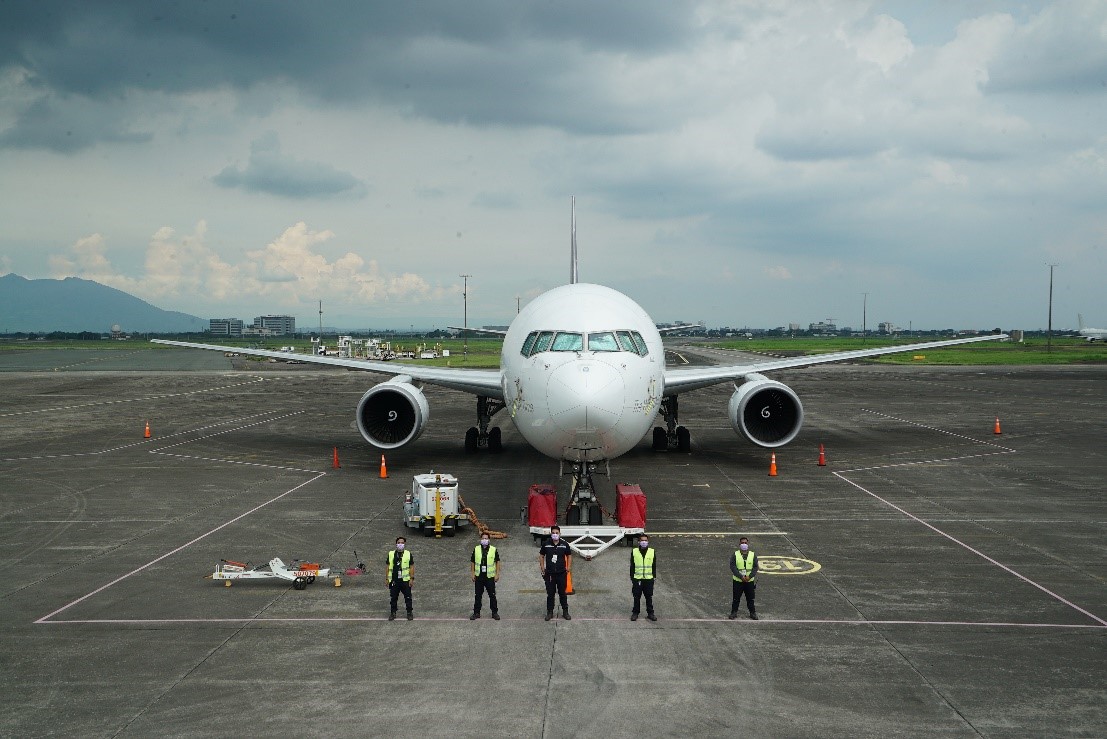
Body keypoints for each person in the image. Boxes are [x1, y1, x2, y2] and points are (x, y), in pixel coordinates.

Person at [538, 525, 571, 620]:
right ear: (551, 534)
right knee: (550, 594)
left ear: (560, 534)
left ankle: (565, 611)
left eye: (557, 533)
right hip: (550, 574)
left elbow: (569, 555)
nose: (555, 535)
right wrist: (542, 567)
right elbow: (541, 555)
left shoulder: (564, 544)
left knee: (562, 593)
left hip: (561, 573)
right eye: (553, 533)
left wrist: (568, 567)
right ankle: (550, 612)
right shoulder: (546, 544)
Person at [470, 532, 501, 620]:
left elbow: (497, 561)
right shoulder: (476, 549)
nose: (484, 540)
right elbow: (472, 562)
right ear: (480, 539)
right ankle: (476, 613)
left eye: (486, 538)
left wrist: (497, 574)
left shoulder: (493, 550)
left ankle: (494, 613)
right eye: (483, 538)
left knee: (492, 595)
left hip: (490, 577)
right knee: (478, 595)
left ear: (489, 540)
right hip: (479, 576)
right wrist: (472, 573)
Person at [385, 536, 414, 620]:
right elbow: (387, 566)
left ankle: (409, 612)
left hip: (405, 580)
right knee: (393, 598)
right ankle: (393, 613)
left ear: (404, 544)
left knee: (408, 597)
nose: (400, 544)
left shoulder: (408, 554)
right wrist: (387, 579)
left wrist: (411, 578)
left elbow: (411, 566)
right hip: (394, 580)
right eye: (399, 543)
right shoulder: (391, 554)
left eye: (402, 543)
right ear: (396, 544)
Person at [729, 536, 758, 620]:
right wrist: (741, 576)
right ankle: (734, 612)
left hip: (749, 581)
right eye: (742, 543)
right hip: (738, 581)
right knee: (736, 598)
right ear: (739, 544)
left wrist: (750, 576)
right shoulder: (735, 554)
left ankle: (752, 613)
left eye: (745, 543)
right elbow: (733, 567)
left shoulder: (752, 555)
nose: (744, 544)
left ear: (748, 544)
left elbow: (755, 567)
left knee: (750, 599)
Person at [630, 534, 657, 621]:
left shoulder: (652, 551)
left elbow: (654, 565)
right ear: (639, 542)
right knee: (636, 597)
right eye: (642, 540)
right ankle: (635, 613)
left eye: (645, 540)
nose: (644, 542)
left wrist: (654, 577)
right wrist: (632, 578)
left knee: (649, 597)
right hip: (637, 578)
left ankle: (650, 613)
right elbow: (632, 566)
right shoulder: (634, 552)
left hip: (648, 579)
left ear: (648, 542)